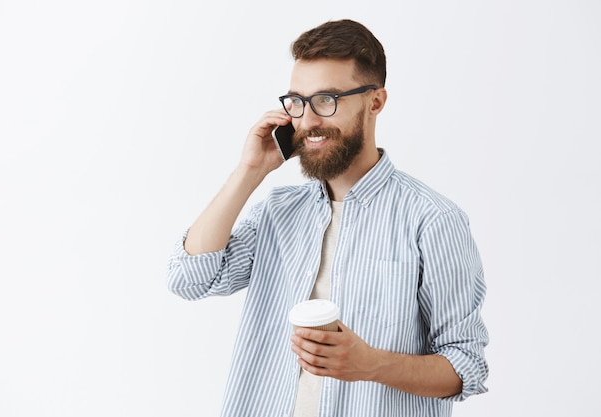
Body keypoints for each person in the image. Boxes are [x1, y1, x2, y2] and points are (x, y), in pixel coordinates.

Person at [167, 19, 489, 417]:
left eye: (327, 100)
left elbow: (466, 366)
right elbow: (189, 279)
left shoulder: (433, 220)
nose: (308, 120)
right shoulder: (278, 211)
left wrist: (372, 364)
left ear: (375, 102)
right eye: (298, 102)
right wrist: (249, 171)